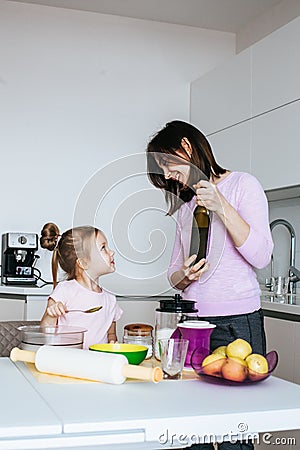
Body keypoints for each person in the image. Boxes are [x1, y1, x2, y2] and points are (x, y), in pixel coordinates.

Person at [147, 120, 273, 450]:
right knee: (192, 426)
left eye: (167, 164)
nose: (169, 175)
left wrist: (221, 205)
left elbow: (261, 255)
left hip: (237, 324)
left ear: (187, 147)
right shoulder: (185, 208)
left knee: (235, 429)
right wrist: (184, 276)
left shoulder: (244, 185)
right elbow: (173, 274)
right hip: (193, 324)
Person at [40, 223, 122, 349]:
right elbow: (45, 332)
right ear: (83, 263)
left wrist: (113, 343)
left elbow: (111, 335)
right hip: (68, 363)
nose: (112, 252)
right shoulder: (64, 291)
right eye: (103, 248)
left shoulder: (110, 300)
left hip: (97, 364)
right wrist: (51, 315)